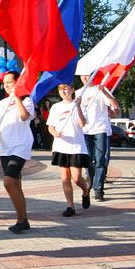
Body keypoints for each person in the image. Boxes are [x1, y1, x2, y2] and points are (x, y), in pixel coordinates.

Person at [0, 71, 35, 233]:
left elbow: (23, 117)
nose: (7, 86)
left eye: (10, 82)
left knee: (8, 181)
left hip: (20, 146)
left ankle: (21, 219)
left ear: (18, 83)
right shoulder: (1, 104)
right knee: (16, 184)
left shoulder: (27, 101)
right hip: (5, 147)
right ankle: (24, 220)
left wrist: (16, 98)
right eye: (5, 83)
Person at [46, 83, 91, 217]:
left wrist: (77, 106)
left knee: (76, 178)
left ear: (72, 89)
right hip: (61, 146)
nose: (63, 91)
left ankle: (86, 191)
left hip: (76, 146)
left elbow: (83, 123)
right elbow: (50, 127)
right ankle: (70, 206)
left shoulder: (79, 104)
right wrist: (55, 133)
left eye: (66, 88)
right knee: (65, 177)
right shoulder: (56, 107)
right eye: (61, 89)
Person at [75, 76, 119, 202]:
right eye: (82, 75)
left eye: (87, 75)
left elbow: (115, 105)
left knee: (100, 160)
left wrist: (104, 91)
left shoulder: (101, 90)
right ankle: (90, 177)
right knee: (88, 159)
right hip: (85, 130)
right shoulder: (78, 93)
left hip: (100, 129)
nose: (85, 78)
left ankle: (98, 190)